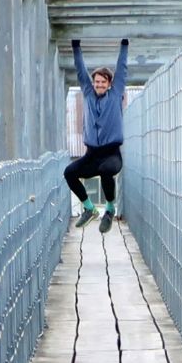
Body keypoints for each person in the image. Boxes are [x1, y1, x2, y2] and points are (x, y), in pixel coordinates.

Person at [64, 38, 128, 233]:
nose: (99, 85)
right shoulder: (88, 93)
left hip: (111, 154)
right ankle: (90, 208)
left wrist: (124, 46)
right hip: (91, 153)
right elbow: (80, 70)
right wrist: (76, 47)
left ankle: (109, 209)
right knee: (69, 172)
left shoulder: (116, 93)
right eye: (96, 82)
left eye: (102, 82)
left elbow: (122, 69)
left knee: (106, 169)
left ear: (109, 84)